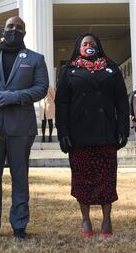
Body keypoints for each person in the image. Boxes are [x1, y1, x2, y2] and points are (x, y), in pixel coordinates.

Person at [0, 16, 49, 241]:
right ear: (2, 30)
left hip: (21, 127)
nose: (14, 30)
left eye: (19, 27)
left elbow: (41, 88)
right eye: (10, 27)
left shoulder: (35, 58)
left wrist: (14, 97)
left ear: (25, 31)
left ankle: (19, 225)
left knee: (20, 177)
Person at [55, 34, 130, 237]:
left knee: (106, 179)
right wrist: (63, 133)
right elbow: (61, 105)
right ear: (79, 47)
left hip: (106, 133)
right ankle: (86, 220)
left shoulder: (111, 70)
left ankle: (107, 220)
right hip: (79, 135)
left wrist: (123, 128)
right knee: (82, 180)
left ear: (99, 47)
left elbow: (122, 103)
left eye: (93, 44)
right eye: (85, 44)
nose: (89, 46)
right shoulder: (68, 71)